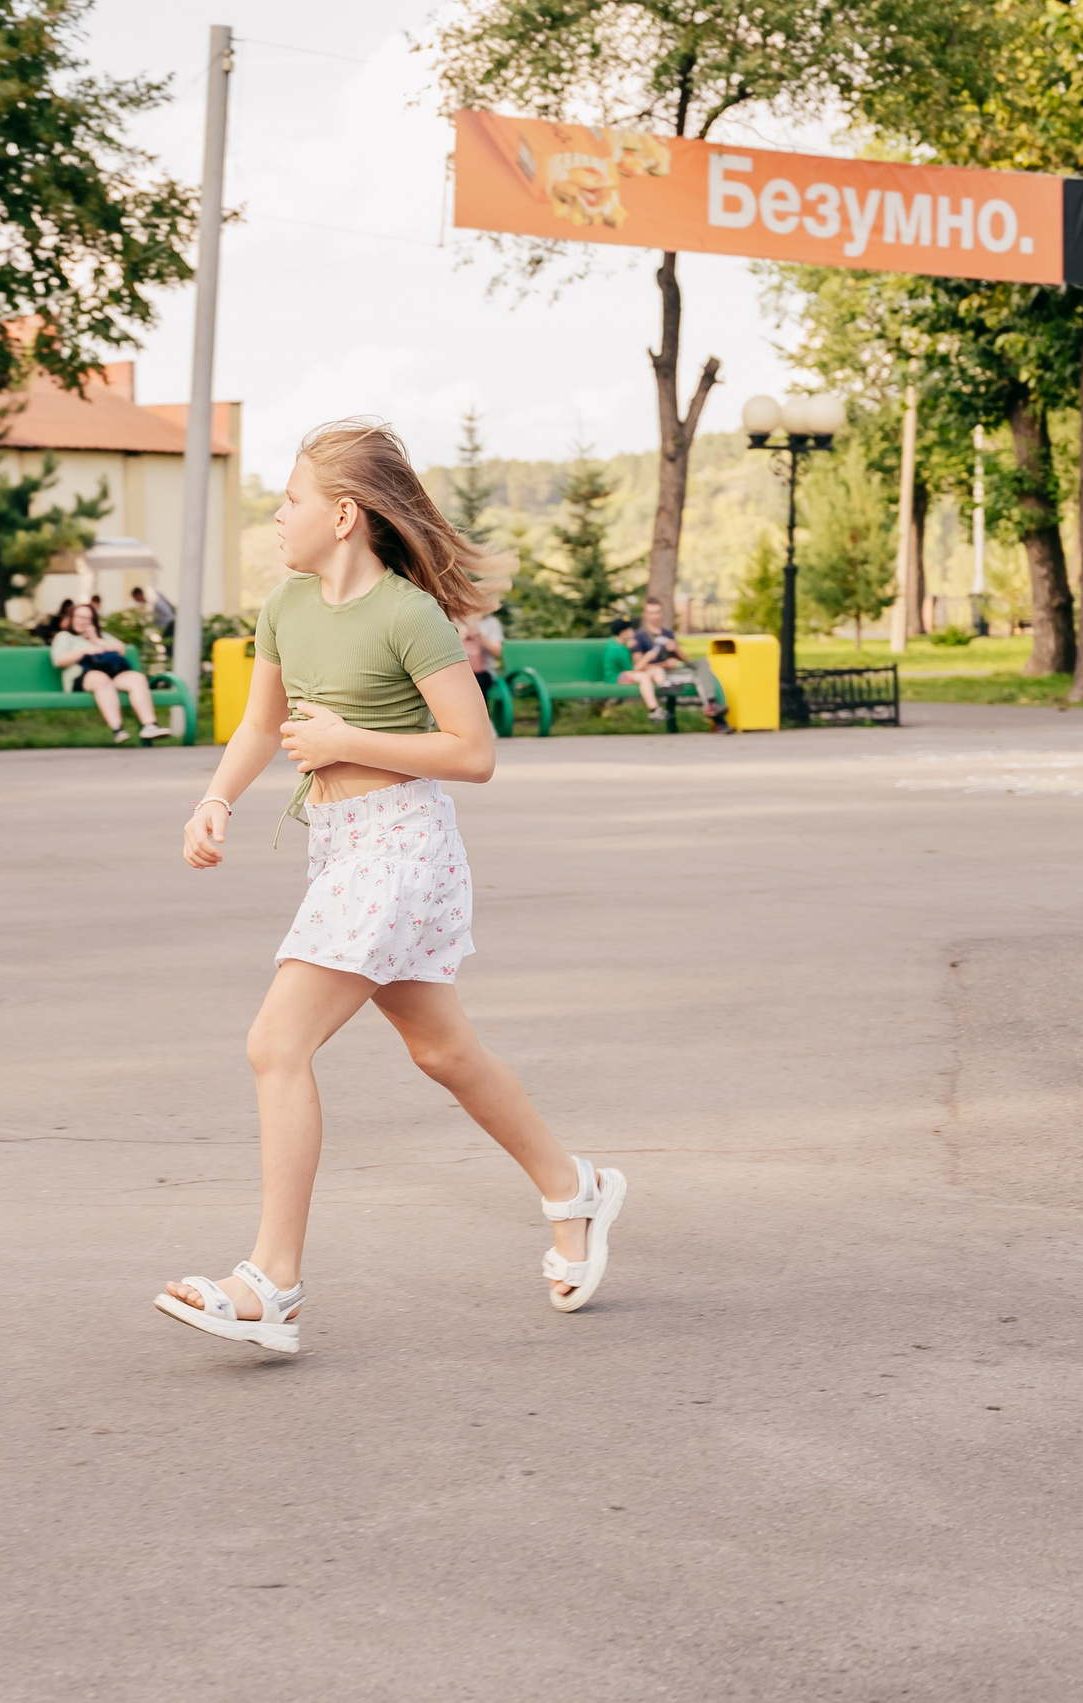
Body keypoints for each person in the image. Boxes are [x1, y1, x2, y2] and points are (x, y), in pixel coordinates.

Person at [155, 418, 625, 1354]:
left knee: (276, 1042)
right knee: (443, 1052)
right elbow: (261, 725)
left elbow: (474, 753)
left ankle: (270, 1284)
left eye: (288, 499)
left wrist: (346, 743)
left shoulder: (410, 616)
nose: (277, 514)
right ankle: (575, 1186)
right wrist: (215, 799)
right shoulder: (287, 604)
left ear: (341, 513)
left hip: (401, 846)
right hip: (339, 842)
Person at [50, 601, 169, 743]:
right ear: (72, 618)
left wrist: (96, 640)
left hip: (113, 674)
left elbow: (121, 649)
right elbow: (59, 660)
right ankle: (117, 729)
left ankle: (150, 725)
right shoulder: (65, 637)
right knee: (101, 679)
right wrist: (85, 651)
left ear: (93, 621)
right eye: (79, 617)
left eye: (87, 618)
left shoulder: (102, 636)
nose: (83, 621)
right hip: (82, 677)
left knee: (137, 679)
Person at [623, 596, 731, 731]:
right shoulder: (640, 636)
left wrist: (676, 649)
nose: (654, 616)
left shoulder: (667, 633)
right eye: (651, 613)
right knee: (700, 677)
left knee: (702, 664)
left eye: (657, 612)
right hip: (659, 675)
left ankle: (712, 707)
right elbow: (638, 667)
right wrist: (664, 664)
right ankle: (718, 720)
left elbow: (686, 660)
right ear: (645, 614)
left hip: (675, 669)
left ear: (661, 613)